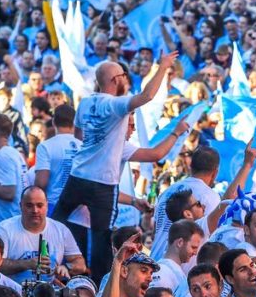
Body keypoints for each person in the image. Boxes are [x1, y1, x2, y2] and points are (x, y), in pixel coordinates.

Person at [51, 53, 178, 282]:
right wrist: (162, 67)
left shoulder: (85, 101)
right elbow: (147, 95)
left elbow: (80, 135)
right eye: (123, 76)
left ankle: (48, 264)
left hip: (78, 175)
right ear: (114, 80)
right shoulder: (115, 105)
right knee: (101, 239)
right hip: (103, 183)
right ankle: (100, 286)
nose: (125, 81)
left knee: (56, 220)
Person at [0, 185, 85, 282]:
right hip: (12, 291)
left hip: (49, 291)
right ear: (21, 206)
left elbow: (80, 264)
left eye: (39, 205)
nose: (35, 210)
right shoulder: (4, 229)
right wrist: (27, 264)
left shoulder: (61, 230)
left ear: (47, 206)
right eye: (29, 205)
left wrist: (66, 267)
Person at [32, 102, 79, 212]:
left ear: (53, 122)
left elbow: (41, 183)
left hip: (54, 206)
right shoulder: (84, 146)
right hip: (79, 208)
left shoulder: (45, 146)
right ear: (74, 122)